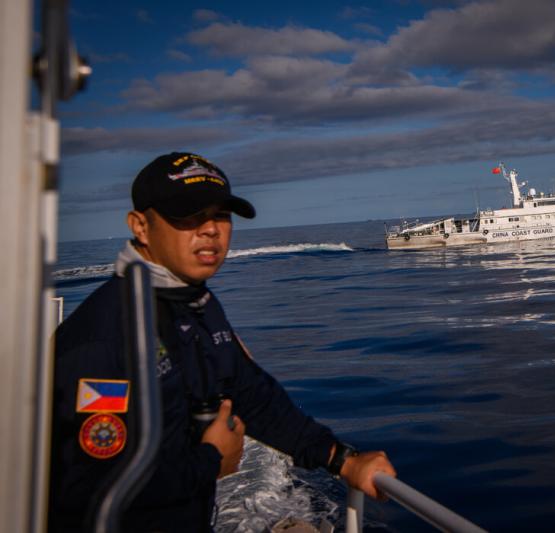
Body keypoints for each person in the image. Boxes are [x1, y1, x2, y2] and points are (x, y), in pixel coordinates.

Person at [49, 152, 396, 532]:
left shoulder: (195, 304)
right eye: (188, 215)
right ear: (141, 227)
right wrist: (212, 460)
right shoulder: (103, 338)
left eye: (220, 215)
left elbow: (251, 393)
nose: (211, 229)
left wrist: (340, 459)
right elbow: (88, 491)